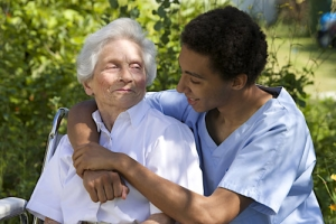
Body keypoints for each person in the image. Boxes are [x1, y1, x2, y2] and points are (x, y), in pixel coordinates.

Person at [69, 6, 324, 224]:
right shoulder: (193, 102)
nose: (180, 87)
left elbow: (211, 216)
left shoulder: (279, 132)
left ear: (236, 82)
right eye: (182, 73)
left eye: (194, 80)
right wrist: (90, 159)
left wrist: (119, 162)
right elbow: (90, 106)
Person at [26, 18, 203, 224]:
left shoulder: (167, 135)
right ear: (88, 85)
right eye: (113, 67)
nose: (126, 76)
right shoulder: (73, 141)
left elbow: (166, 220)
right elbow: (52, 217)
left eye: (136, 67)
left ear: (146, 79)